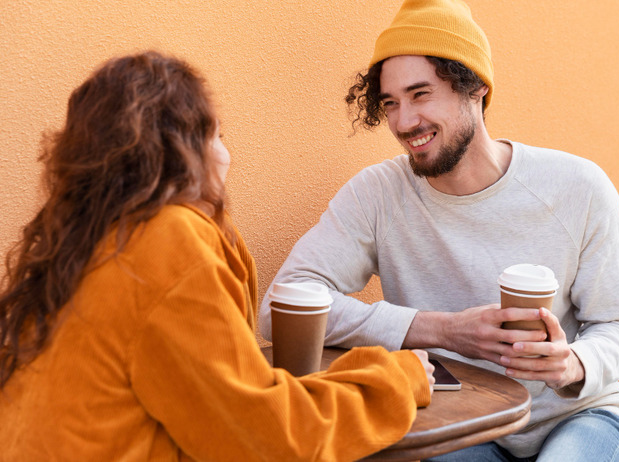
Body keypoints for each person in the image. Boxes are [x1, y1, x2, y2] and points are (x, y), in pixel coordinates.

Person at [259, 0, 619, 461]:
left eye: (420, 94)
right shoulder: (378, 194)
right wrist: (441, 330)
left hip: (575, 416)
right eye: (390, 103)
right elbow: (279, 307)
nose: (404, 122)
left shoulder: (577, 187)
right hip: (459, 420)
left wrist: (573, 365)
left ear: (475, 87)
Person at [0, 51, 434, 461]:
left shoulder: (84, 240)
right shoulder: (165, 241)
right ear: (187, 153)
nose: (227, 157)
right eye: (217, 136)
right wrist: (398, 378)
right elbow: (268, 436)